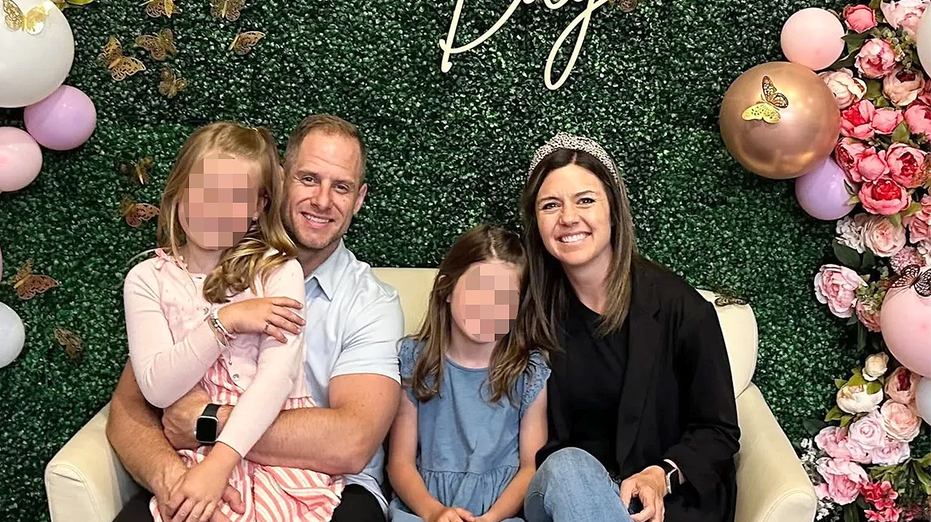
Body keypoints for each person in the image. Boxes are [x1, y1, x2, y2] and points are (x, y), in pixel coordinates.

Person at [107, 114, 404, 522]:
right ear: (278, 181)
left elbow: (350, 444)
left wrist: (207, 421)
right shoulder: (180, 277)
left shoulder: (371, 303)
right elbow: (132, 407)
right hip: (197, 466)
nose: (322, 200)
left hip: (326, 483)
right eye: (308, 179)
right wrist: (178, 486)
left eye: (341, 187)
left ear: (359, 198)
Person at [516, 133, 741, 522]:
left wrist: (660, 476)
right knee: (568, 466)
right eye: (550, 205)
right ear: (535, 222)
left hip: (663, 501)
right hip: (565, 492)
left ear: (614, 210)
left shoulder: (680, 308)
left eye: (585, 200)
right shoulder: (528, 307)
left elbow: (718, 431)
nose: (568, 218)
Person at [387, 225, 549, 522]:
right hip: (425, 511)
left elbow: (530, 468)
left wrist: (491, 518)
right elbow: (400, 463)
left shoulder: (528, 373)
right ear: (446, 289)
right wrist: (435, 512)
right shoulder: (415, 360)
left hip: (502, 515)